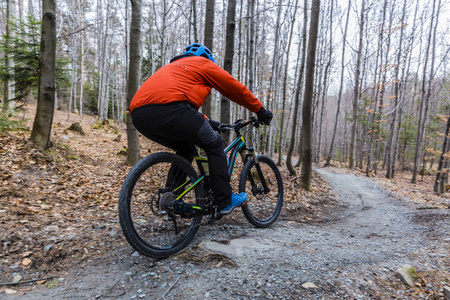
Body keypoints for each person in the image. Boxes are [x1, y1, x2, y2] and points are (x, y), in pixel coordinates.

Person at [130, 43, 273, 215]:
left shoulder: (173, 68)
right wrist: (259, 109)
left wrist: (210, 123)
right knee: (215, 144)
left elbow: (182, 109)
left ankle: (172, 200)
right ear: (207, 59)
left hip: (139, 114)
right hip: (172, 109)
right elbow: (234, 88)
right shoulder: (203, 64)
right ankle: (224, 200)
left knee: (186, 148)